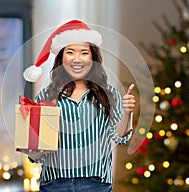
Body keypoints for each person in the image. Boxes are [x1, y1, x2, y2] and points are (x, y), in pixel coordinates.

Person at [23, 20, 135, 192]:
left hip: (96, 184)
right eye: (70, 52)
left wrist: (127, 113)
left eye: (84, 52)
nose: (77, 59)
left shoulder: (109, 95)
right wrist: (32, 150)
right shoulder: (45, 96)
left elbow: (120, 137)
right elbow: (37, 155)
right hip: (54, 185)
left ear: (93, 57)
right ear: (61, 57)